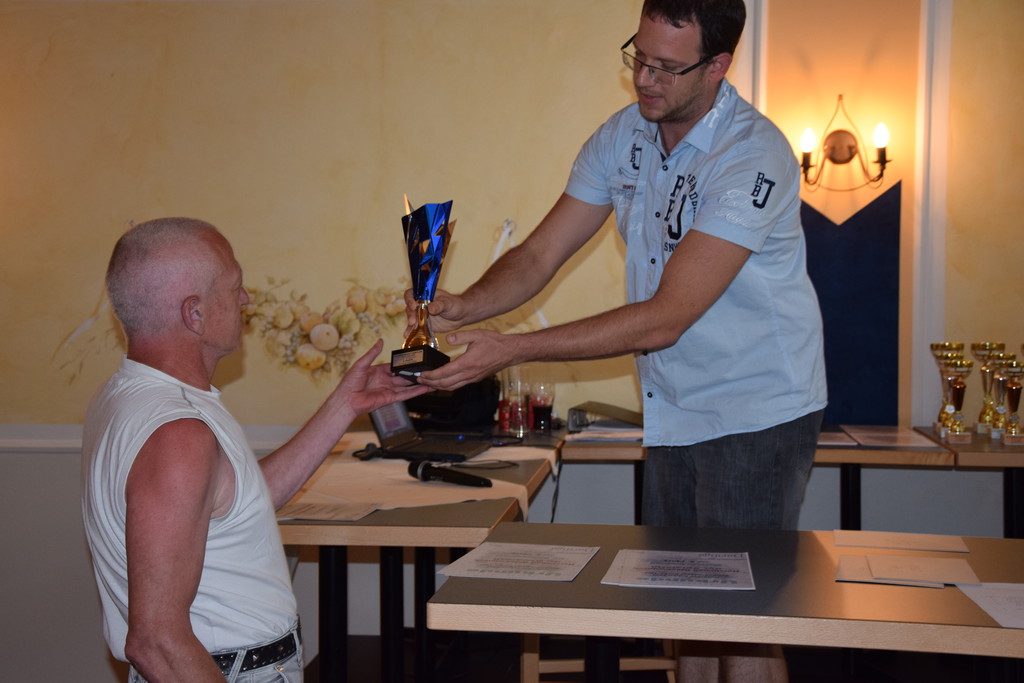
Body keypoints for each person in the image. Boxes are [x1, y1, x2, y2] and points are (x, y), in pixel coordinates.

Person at [409, 0, 826, 679]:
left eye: (667, 67)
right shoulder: (623, 136)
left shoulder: (753, 155)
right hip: (674, 406)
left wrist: (513, 347)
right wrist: (462, 305)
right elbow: (539, 255)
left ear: (717, 66)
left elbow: (666, 317)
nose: (644, 79)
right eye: (639, 57)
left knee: (744, 620)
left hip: (755, 408)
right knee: (686, 608)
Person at [82, 217, 429, 682]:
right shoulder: (177, 433)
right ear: (194, 313)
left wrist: (343, 406)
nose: (245, 299)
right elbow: (156, 642)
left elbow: (233, 501)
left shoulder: (131, 395)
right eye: (235, 286)